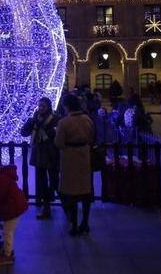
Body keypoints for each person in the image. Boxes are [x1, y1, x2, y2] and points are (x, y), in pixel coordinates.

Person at [54, 94, 95, 236]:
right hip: (84, 155)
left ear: (66, 106)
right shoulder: (87, 119)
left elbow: (58, 143)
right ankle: (85, 222)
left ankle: (74, 224)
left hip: (69, 158)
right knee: (85, 192)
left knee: (71, 193)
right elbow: (91, 137)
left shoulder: (64, 122)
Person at [19, 97, 59, 219]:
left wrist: (51, 132)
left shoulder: (55, 119)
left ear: (49, 107)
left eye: (44, 106)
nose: (41, 108)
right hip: (39, 154)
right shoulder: (34, 120)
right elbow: (23, 132)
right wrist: (30, 123)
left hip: (52, 153)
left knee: (54, 181)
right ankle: (46, 207)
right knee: (42, 181)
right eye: (40, 106)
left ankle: (62, 202)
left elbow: (58, 134)